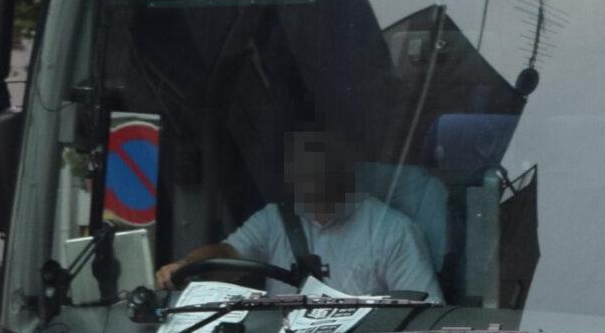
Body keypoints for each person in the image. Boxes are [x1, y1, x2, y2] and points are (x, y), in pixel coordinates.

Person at [159, 127, 441, 301]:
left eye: (322, 173)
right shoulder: (275, 220)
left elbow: (425, 313)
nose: (313, 185)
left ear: (345, 171)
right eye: (304, 175)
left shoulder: (394, 232)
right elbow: (227, 255)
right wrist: (186, 264)